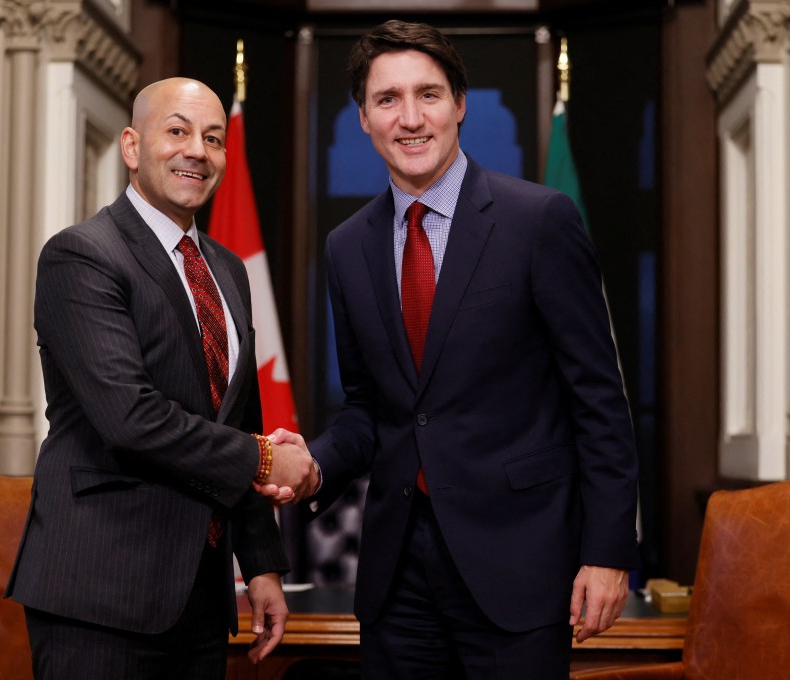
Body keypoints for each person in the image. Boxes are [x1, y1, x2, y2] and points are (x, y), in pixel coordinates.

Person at [267, 20, 640, 679]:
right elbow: (366, 410)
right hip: (395, 577)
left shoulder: (539, 221)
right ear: (363, 118)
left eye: (429, 95)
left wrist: (607, 551)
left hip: (519, 568)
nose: (410, 118)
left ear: (460, 105)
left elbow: (599, 402)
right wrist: (314, 465)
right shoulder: (347, 247)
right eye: (388, 99)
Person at [6, 77, 314, 680]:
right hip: (100, 594)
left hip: (199, 598)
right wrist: (261, 460)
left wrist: (261, 567)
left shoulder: (227, 269)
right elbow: (131, 417)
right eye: (176, 131)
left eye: (214, 138)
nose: (197, 150)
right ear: (131, 146)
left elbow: (239, 419)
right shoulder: (81, 255)